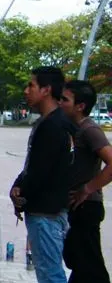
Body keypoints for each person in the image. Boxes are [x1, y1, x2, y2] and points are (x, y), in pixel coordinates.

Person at [9, 66, 75, 283]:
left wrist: (21, 194)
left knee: (50, 274)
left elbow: (41, 172)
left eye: (31, 85)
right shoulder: (49, 122)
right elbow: (33, 165)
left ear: (46, 90)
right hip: (47, 210)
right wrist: (19, 184)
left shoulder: (54, 126)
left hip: (47, 213)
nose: (26, 90)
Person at [60, 79, 112, 283]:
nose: (61, 102)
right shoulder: (73, 129)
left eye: (65, 99)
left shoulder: (89, 130)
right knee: (79, 263)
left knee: (90, 267)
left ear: (80, 106)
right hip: (76, 208)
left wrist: (87, 189)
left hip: (87, 208)